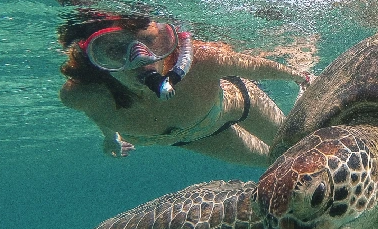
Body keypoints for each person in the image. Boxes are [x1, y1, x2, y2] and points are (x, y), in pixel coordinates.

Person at [58, 13, 311, 167]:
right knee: (277, 161)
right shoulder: (81, 95)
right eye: (113, 50)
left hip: (238, 104)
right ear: (95, 59)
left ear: (163, 38)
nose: (140, 59)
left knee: (301, 148)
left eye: (148, 41)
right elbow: (97, 113)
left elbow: (256, 67)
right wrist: (111, 138)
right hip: (199, 138)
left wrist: (299, 77)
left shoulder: (200, 61)